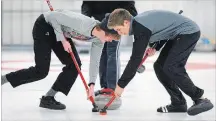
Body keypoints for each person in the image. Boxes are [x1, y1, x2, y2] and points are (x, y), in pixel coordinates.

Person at [1, 9, 120, 110]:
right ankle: (3, 79)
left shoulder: (99, 40)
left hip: (61, 33)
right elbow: (52, 17)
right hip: (45, 26)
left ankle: (48, 98)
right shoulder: (83, 23)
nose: (110, 41)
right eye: (110, 37)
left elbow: (95, 62)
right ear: (104, 30)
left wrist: (92, 86)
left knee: (74, 65)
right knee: (41, 71)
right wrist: (63, 40)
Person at [107, 8, 214, 116]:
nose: (119, 32)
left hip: (188, 32)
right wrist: (156, 47)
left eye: (118, 29)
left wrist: (120, 85)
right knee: (159, 66)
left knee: (171, 66)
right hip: (177, 35)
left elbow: (135, 59)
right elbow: (165, 29)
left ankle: (200, 99)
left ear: (126, 22)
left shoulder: (140, 27)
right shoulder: (139, 24)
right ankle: (178, 103)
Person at [81, 1, 137, 92]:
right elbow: (87, 4)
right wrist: (85, 19)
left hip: (116, 21)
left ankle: (112, 87)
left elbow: (129, 4)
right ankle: (105, 87)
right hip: (99, 22)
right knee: (102, 53)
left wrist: (133, 20)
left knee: (112, 52)